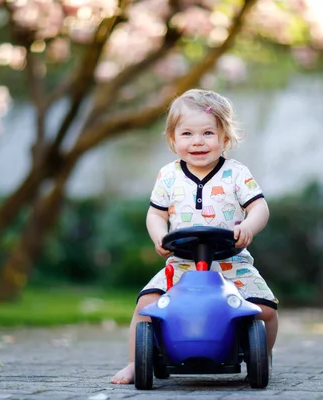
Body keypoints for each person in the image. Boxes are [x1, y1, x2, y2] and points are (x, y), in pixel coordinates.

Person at [111, 89, 279, 384]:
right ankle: (135, 363)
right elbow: (156, 214)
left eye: (207, 133)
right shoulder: (168, 176)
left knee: (265, 309)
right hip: (182, 265)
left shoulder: (236, 173)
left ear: (225, 138)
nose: (197, 141)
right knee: (145, 305)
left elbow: (259, 207)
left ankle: (261, 354)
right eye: (187, 133)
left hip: (231, 263)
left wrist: (248, 227)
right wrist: (160, 236)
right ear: (173, 139)